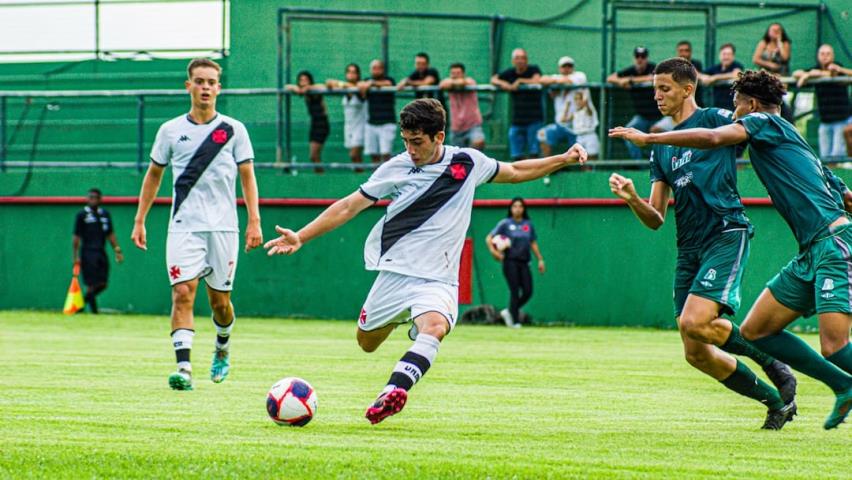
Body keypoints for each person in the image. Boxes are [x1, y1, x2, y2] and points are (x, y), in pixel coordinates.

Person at [264, 98, 587, 424]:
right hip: (395, 274)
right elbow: (349, 206)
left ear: (439, 136)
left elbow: (516, 171)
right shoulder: (396, 167)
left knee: (434, 328)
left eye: (417, 141)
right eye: (405, 141)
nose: (411, 149)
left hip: (438, 278)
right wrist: (301, 236)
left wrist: (563, 158)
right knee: (366, 343)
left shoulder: (467, 163)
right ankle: (404, 318)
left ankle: (392, 391)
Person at [610, 69, 852, 429]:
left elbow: (712, 136)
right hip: (807, 250)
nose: (732, 110)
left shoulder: (761, 121)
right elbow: (845, 195)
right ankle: (837, 386)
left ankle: (833, 382)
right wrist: (634, 193)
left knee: (834, 345)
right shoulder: (789, 146)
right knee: (755, 331)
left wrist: (649, 137)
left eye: (736, 103)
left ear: (751, 105)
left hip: (822, 242)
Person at [130, 58, 263, 391]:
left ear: (219, 87)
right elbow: (154, 176)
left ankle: (222, 345)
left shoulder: (234, 130)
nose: (205, 87)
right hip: (183, 227)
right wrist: (140, 219)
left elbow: (248, 177)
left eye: (211, 82)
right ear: (188, 85)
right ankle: (184, 368)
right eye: (199, 81)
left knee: (220, 303)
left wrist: (254, 222)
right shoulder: (170, 131)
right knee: (182, 293)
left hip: (223, 228)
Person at [486, 197, 545, 328]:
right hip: (510, 261)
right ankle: (515, 321)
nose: (517, 209)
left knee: (528, 291)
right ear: (511, 208)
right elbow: (489, 238)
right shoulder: (505, 224)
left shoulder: (527, 224)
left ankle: (509, 312)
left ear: (524, 209)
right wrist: (494, 252)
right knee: (514, 291)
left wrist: (540, 259)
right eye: (515, 206)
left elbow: (533, 243)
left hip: (524, 262)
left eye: (520, 206)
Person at [607, 47, 668, 159]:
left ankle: (663, 163)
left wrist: (631, 80)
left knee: (665, 137)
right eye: (637, 56)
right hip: (642, 117)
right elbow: (610, 78)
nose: (640, 59)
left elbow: (653, 77)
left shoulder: (653, 68)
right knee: (628, 132)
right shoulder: (630, 70)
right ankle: (638, 163)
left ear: (646, 58)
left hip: (660, 115)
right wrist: (620, 81)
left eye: (643, 57)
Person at [793, 44, 852, 158]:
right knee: (825, 158)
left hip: (842, 120)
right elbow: (796, 73)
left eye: (828, 54)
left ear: (833, 56)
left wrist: (813, 75)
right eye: (822, 54)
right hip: (825, 122)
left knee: (837, 157)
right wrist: (809, 74)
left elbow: (836, 74)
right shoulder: (814, 70)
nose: (825, 57)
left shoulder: (838, 69)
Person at [72, 188, 124, 314]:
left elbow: (110, 234)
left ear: (100, 199)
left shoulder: (105, 214)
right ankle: (94, 312)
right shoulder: (82, 215)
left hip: (101, 251)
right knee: (91, 283)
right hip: (87, 252)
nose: (93, 200)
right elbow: (76, 237)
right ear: (87, 198)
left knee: (103, 283)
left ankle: (81, 305)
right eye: (91, 197)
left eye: (96, 197)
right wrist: (76, 256)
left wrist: (117, 250)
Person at [491, 48, 544, 160]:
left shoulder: (533, 69)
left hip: (534, 119)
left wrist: (520, 81)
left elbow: (537, 80)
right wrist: (505, 84)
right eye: (517, 58)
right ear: (513, 61)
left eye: (523, 58)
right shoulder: (510, 72)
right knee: (517, 153)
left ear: (527, 60)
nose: (520, 61)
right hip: (517, 120)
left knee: (534, 152)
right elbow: (494, 80)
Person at [538, 56, 586, 156]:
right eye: (564, 66)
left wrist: (555, 81)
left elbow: (567, 81)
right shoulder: (557, 78)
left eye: (569, 66)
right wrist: (556, 81)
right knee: (542, 134)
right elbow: (542, 80)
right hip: (560, 125)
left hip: (578, 125)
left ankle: (584, 171)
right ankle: (548, 169)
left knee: (581, 152)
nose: (567, 68)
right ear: (560, 68)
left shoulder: (579, 76)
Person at [286, 70, 329, 173]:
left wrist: (308, 87)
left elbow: (323, 87)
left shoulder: (314, 90)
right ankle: (319, 175)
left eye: (306, 80)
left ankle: (321, 176)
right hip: (314, 124)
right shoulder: (302, 91)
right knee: (313, 157)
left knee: (314, 155)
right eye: (301, 80)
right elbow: (286, 87)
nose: (303, 82)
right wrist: (297, 88)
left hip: (322, 123)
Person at [327, 63, 367, 167]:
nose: (351, 75)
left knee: (354, 154)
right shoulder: (344, 89)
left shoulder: (360, 87)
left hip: (360, 127)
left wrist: (341, 84)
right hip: (348, 127)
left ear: (358, 75)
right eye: (349, 72)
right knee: (355, 158)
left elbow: (356, 88)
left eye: (354, 72)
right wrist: (338, 84)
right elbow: (329, 83)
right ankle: (360, 178)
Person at [439, 62, 485, 150]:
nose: (455, 75)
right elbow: (442, 84)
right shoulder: (448, 83)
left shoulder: (470, 82)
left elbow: (462, 82)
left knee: (478, 142)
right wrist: (453, 83)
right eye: (453, 73)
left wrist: (454, 83)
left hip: (473, 125)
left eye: (458, 73)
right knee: (457, 156)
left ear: (463, 74)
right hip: (456, 128)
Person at [358, 60, 396, 163]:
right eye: (374, 68)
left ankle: (387, 177)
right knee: (373, 154)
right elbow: (361, 95)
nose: (376, 70)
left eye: (378, 68)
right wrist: (362, 85)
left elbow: (388, 84)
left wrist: (371, 83)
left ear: (383, 69)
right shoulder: (366, 81)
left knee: (386, 154)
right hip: (372, 124)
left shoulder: (389, 80)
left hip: (387, 123)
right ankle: (376, 177)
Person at [701, 43, 744, 110]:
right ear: (719, 55)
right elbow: (700, 75)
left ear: (733, 56)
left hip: (733, 108)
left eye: (729, 54)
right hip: (718, 107)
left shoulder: (736, 66)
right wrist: (706, 78)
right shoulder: (716, 68)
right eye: (724, 54)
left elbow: (737, 74)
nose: (726, 57)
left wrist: (715, 78)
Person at [564, 88, 600, 160]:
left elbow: (587, 101)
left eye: (579, 99)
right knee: (581, 158)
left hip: (590, 135)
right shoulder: (575, 112)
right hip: (579, 137)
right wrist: (567, 106)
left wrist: (585, 92)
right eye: (576, 99)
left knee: (592, 157)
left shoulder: (589, 109)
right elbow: (563, 120)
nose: (578, 101)